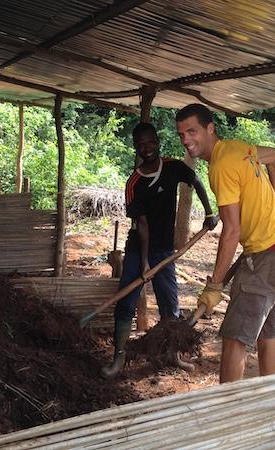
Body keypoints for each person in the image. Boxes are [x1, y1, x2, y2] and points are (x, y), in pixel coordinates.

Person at [175, 104, 275, 383]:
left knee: (234, 339)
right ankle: (268, 394)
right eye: (181, 134)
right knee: (267, 331)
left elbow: (231, 230)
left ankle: (226, 411)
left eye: (192, 131)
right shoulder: (235, 148)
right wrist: (272, 204)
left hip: (267, 256)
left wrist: (215, 285)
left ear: (210, 129)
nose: (186, 139)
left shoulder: (220, 166)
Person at [101, 122, 217, 379]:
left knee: (169, 302)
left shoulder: (174, 167)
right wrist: (143, 263)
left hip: (165, 251)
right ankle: (119, 358)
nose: (147, 148)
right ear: (136, 148)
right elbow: (141, 225)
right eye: (141, 145)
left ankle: (172, 354)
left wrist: (209, 212)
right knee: (126, 302)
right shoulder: (134, 183)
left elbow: (196, 180)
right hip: (137, 250)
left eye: (151, 142)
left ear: (158, 141)